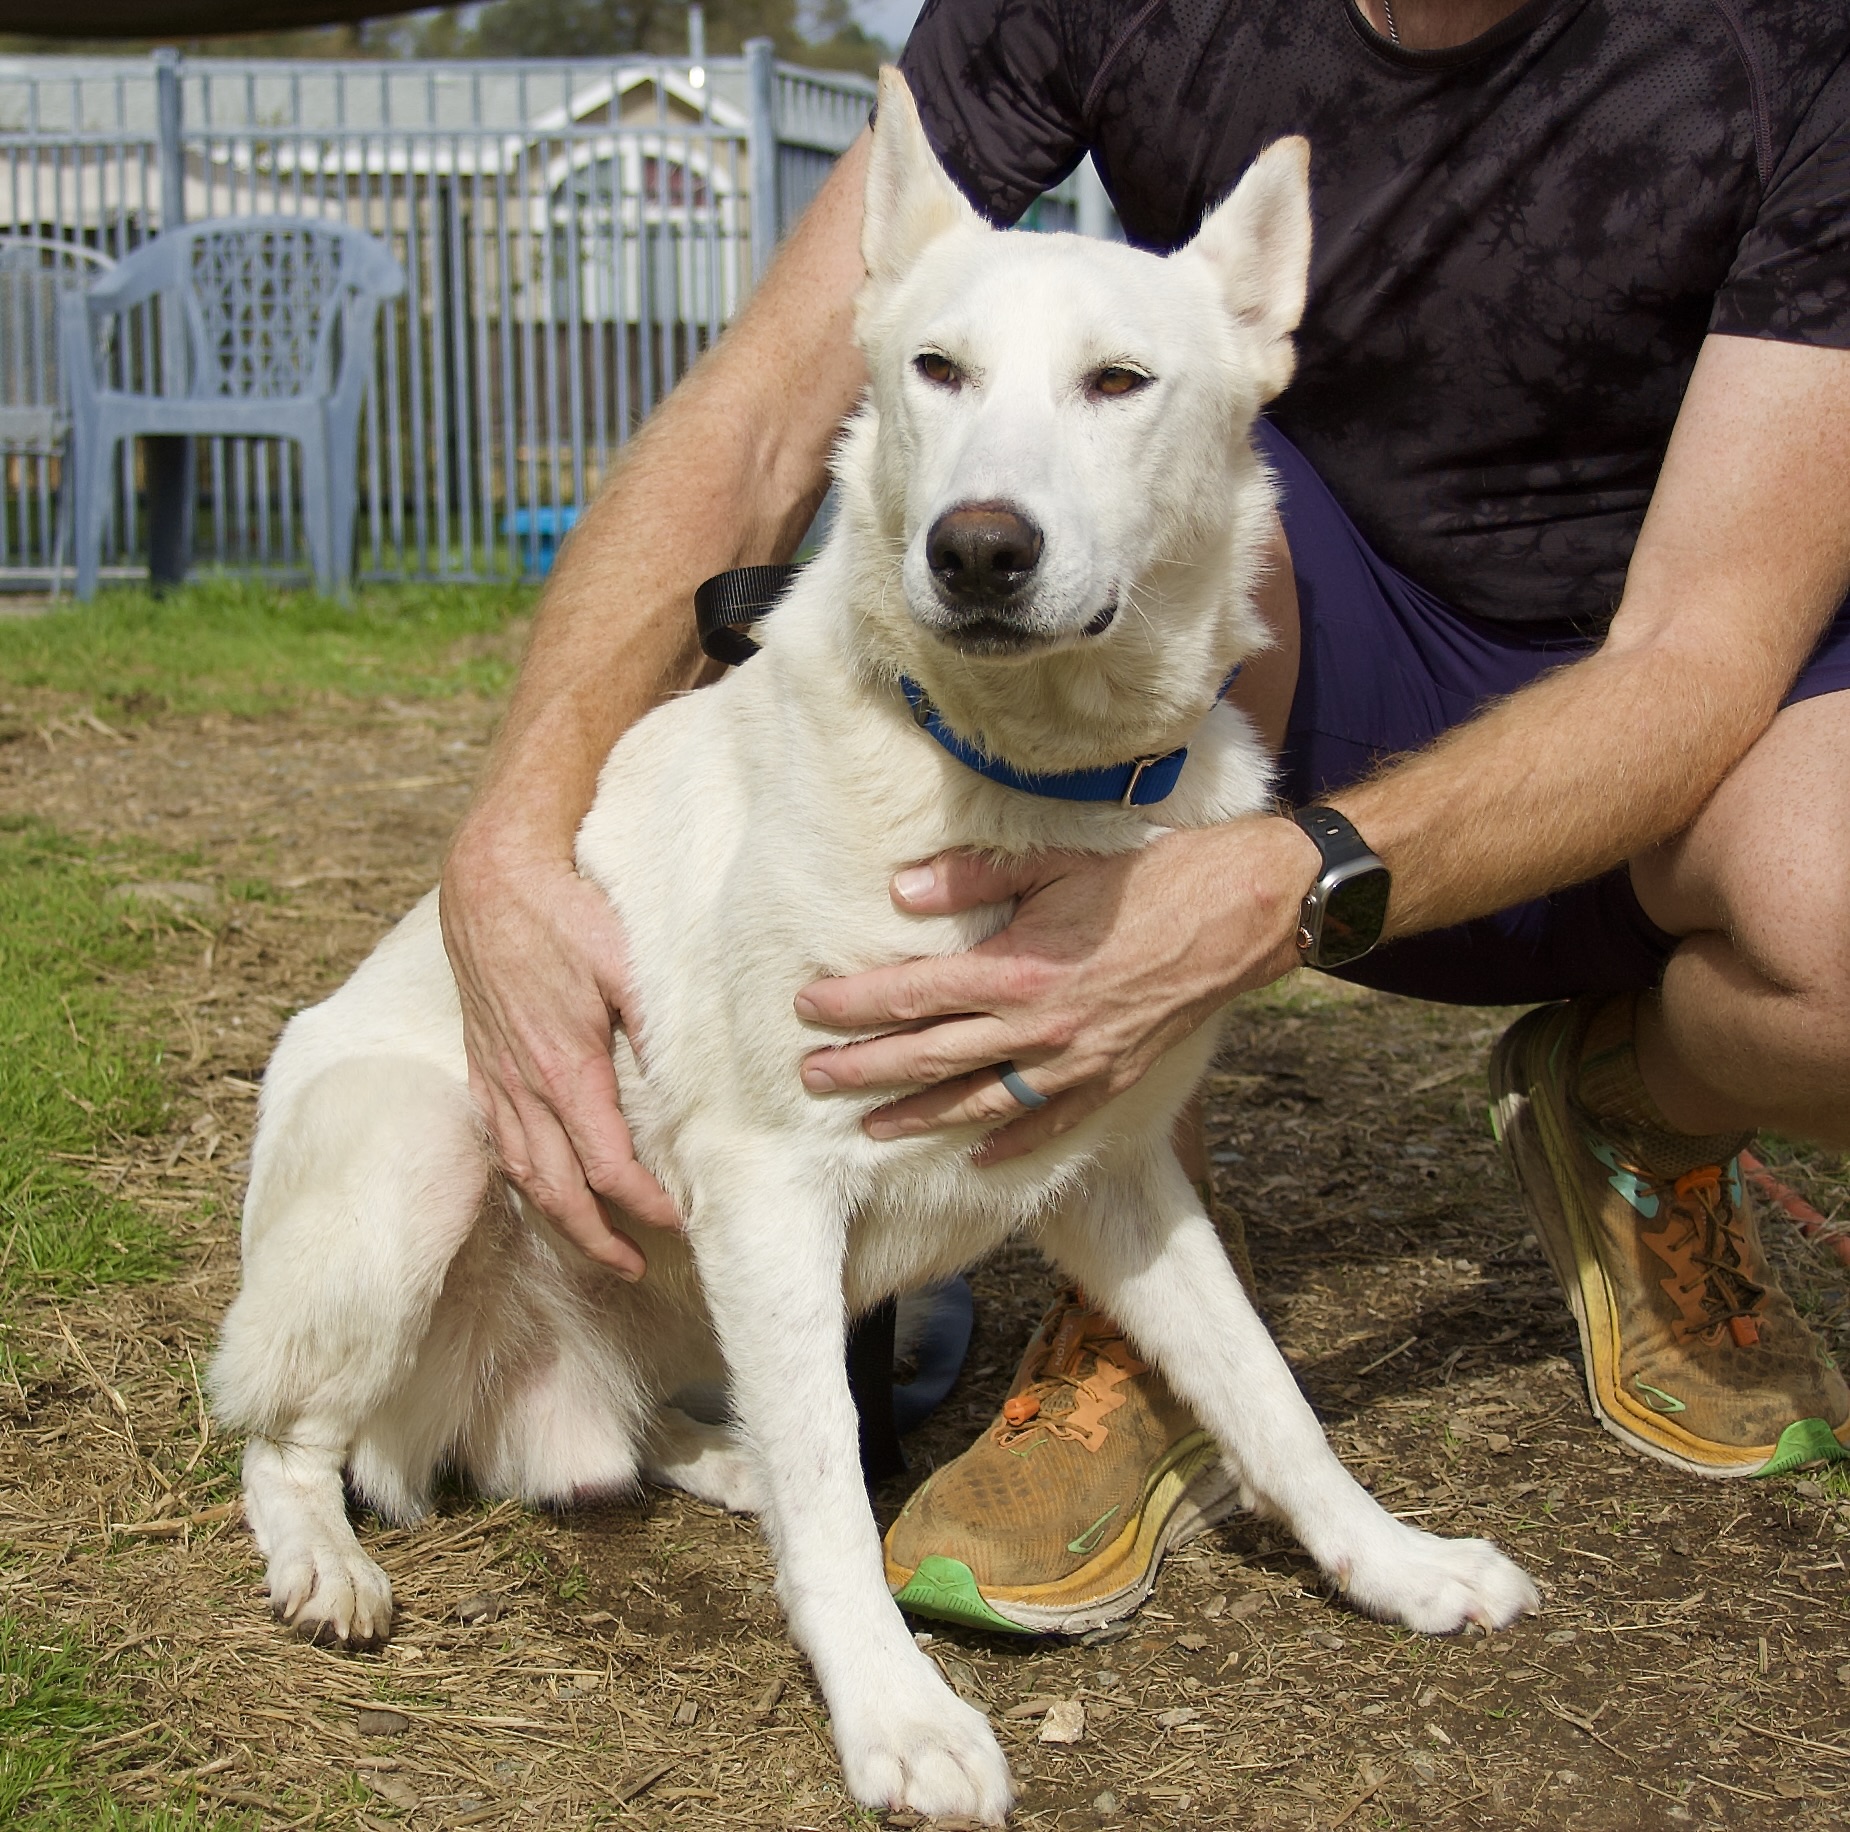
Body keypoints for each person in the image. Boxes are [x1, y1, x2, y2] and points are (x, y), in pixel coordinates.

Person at [439, 0, 1850, 1632]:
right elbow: (763, 413)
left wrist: (1279, 875)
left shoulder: (1791, 39)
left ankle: (1636, 1110)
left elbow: (1693, 653)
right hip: (1309, 620)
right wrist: (509, 840)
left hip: (1683, 666)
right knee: (1210, 511)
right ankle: (1106, 1256)